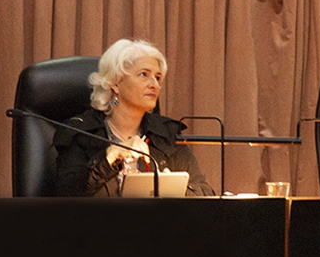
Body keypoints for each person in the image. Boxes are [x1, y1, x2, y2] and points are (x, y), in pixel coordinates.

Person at [54, 38, 214, 196]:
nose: (154, 84)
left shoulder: (166, 134)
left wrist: (169, 188)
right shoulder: (79, 132)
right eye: (143, 74)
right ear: (115, 83)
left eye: (157, 77)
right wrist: (110, 157)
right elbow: (67, 195)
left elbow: (204, 192)